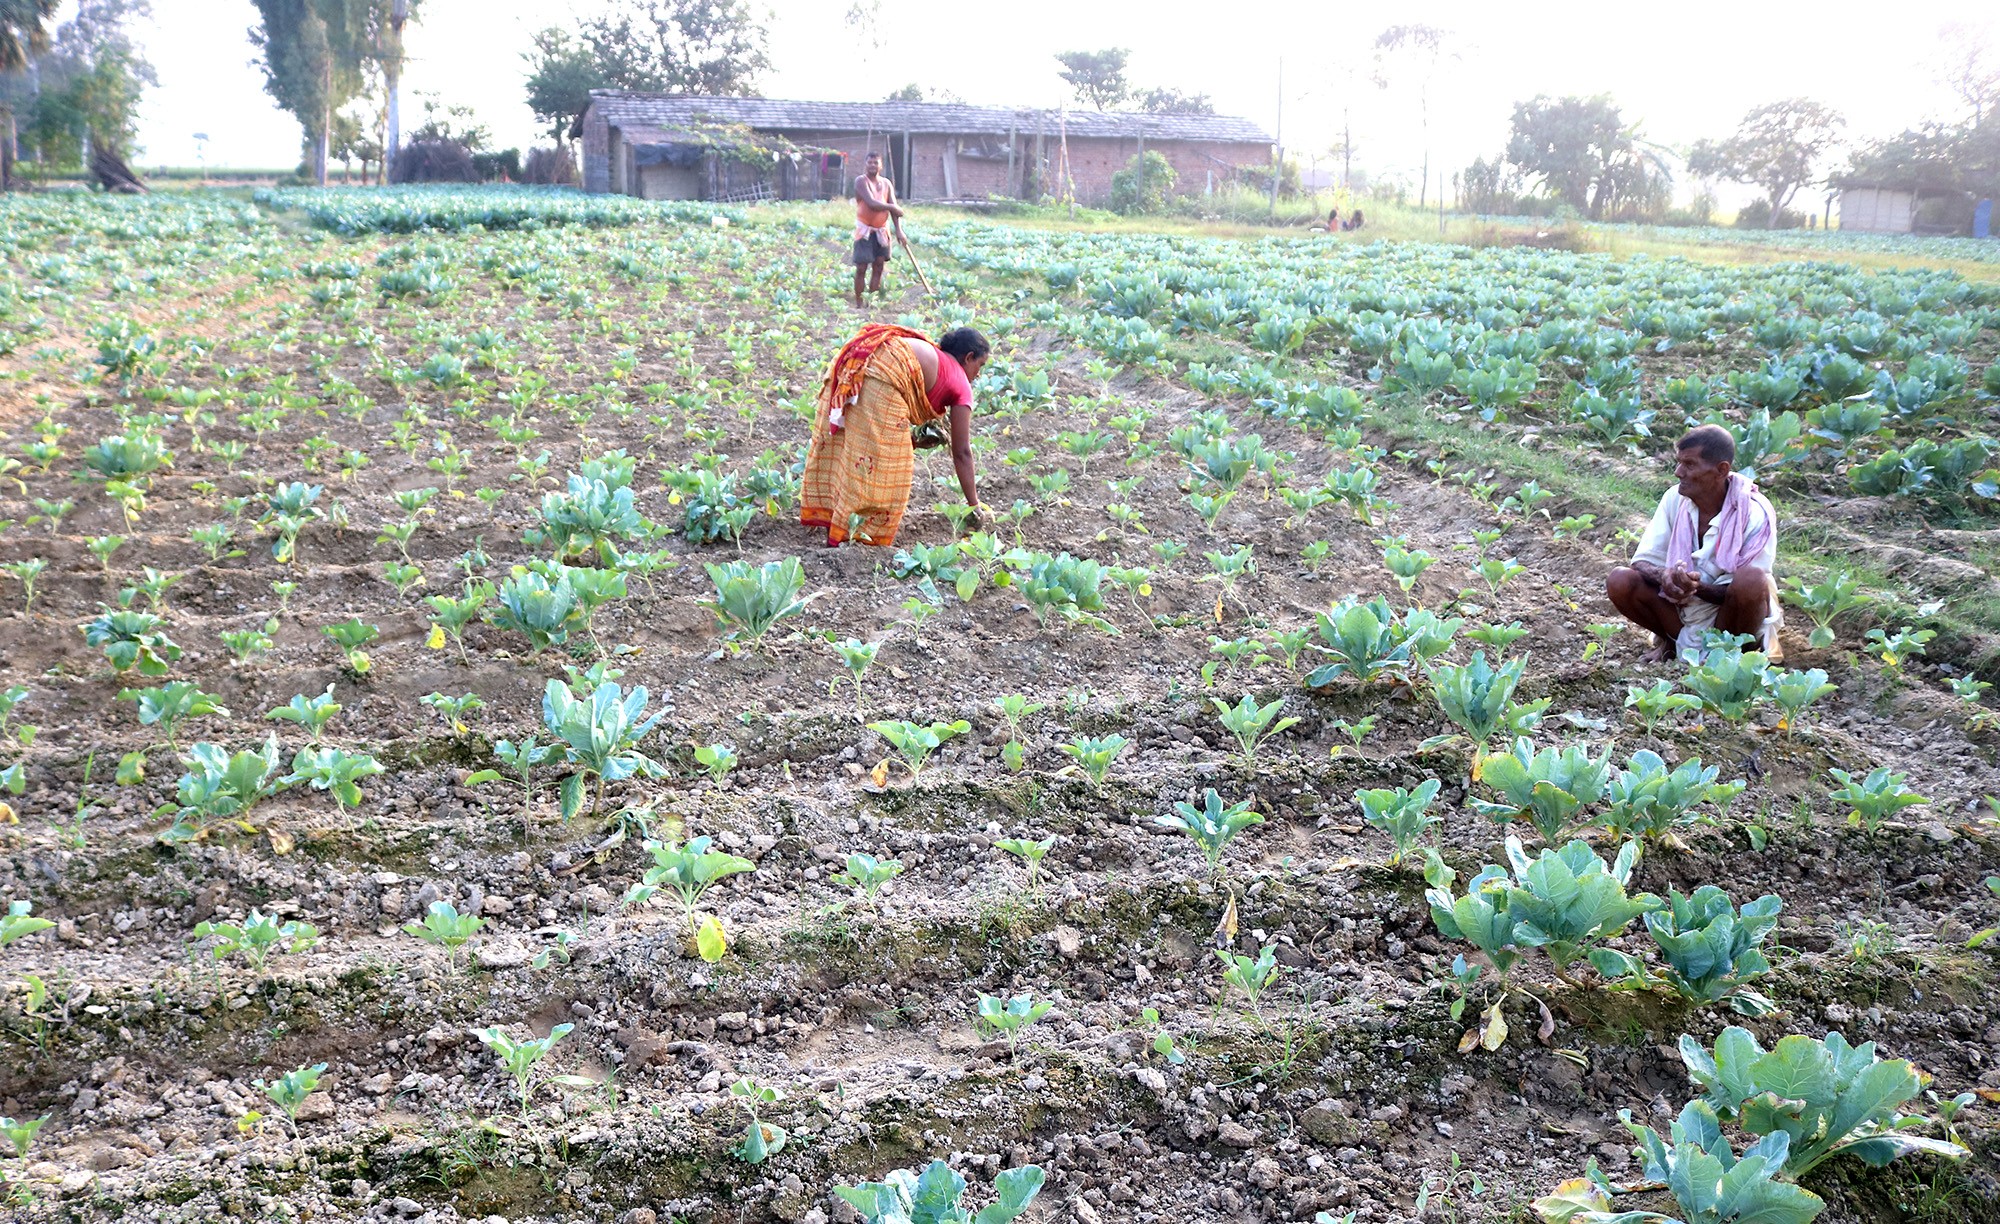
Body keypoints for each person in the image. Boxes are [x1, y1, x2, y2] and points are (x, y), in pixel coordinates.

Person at [800, 324, 989, 547]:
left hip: (860, 363)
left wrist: (916, 440)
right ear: (968, 357)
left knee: (853, 449)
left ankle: (839, 522)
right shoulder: (960, 382)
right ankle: (866, 539)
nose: (978, 374)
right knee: (895, 469)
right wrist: (973, 503)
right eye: (980, 365)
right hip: (881, 378)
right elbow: (962, 452)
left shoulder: (936, 358)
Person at [1606, 424, 1781, 662]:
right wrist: (1665, 576)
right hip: (1682, 614)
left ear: (1721, 470)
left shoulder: (1754, 511)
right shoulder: (1674, 498)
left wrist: (1695, 588)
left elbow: (1746, 590)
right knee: (1620, 580)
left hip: (1731, 617)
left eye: (1689, 465)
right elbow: (1642, 561)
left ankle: (1738, 656)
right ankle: (1671, 641)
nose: (1678, 472)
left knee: (1751, 580)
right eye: (1678, 462)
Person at [852, 152, 904, 307]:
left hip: (882, 230)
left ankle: (871, 302)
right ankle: (859, 303)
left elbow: (894, 212)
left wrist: (899, 231)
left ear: (881, 165)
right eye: (870, 162)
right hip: (865, 231)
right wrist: (892, 206)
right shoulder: (861, 181)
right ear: (865, 164)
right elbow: (872, 203)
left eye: (876, 163)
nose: (873, 165)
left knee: (879, 266)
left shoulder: (886, 183)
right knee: (861, 268)